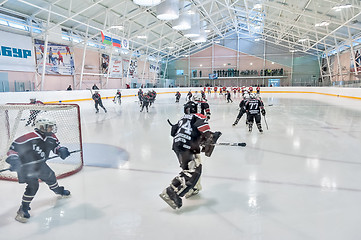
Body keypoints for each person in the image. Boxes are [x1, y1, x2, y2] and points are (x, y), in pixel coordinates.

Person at [5, 118, 71, 223]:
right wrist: (14, 160)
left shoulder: (52, 137)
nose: (52, 129)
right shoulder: (28, 137)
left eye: (52, 126)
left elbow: (56, 147)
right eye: (49, 127)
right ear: (42, 127)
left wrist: (61, 151)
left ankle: (58, 190)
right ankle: (23, 208)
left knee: (51, 177)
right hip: (26, 167)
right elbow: (12, 149)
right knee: (33, 186)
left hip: (40, 164)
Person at [159, 101, 221, 209]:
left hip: (177, 144)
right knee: (193, 170)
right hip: (188, 144)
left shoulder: (182, 119)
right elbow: (204, 129)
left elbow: (173, 132)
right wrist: (211, 137)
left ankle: (192, 188)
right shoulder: (198, 116)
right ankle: (171, 191)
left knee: (191, 166)